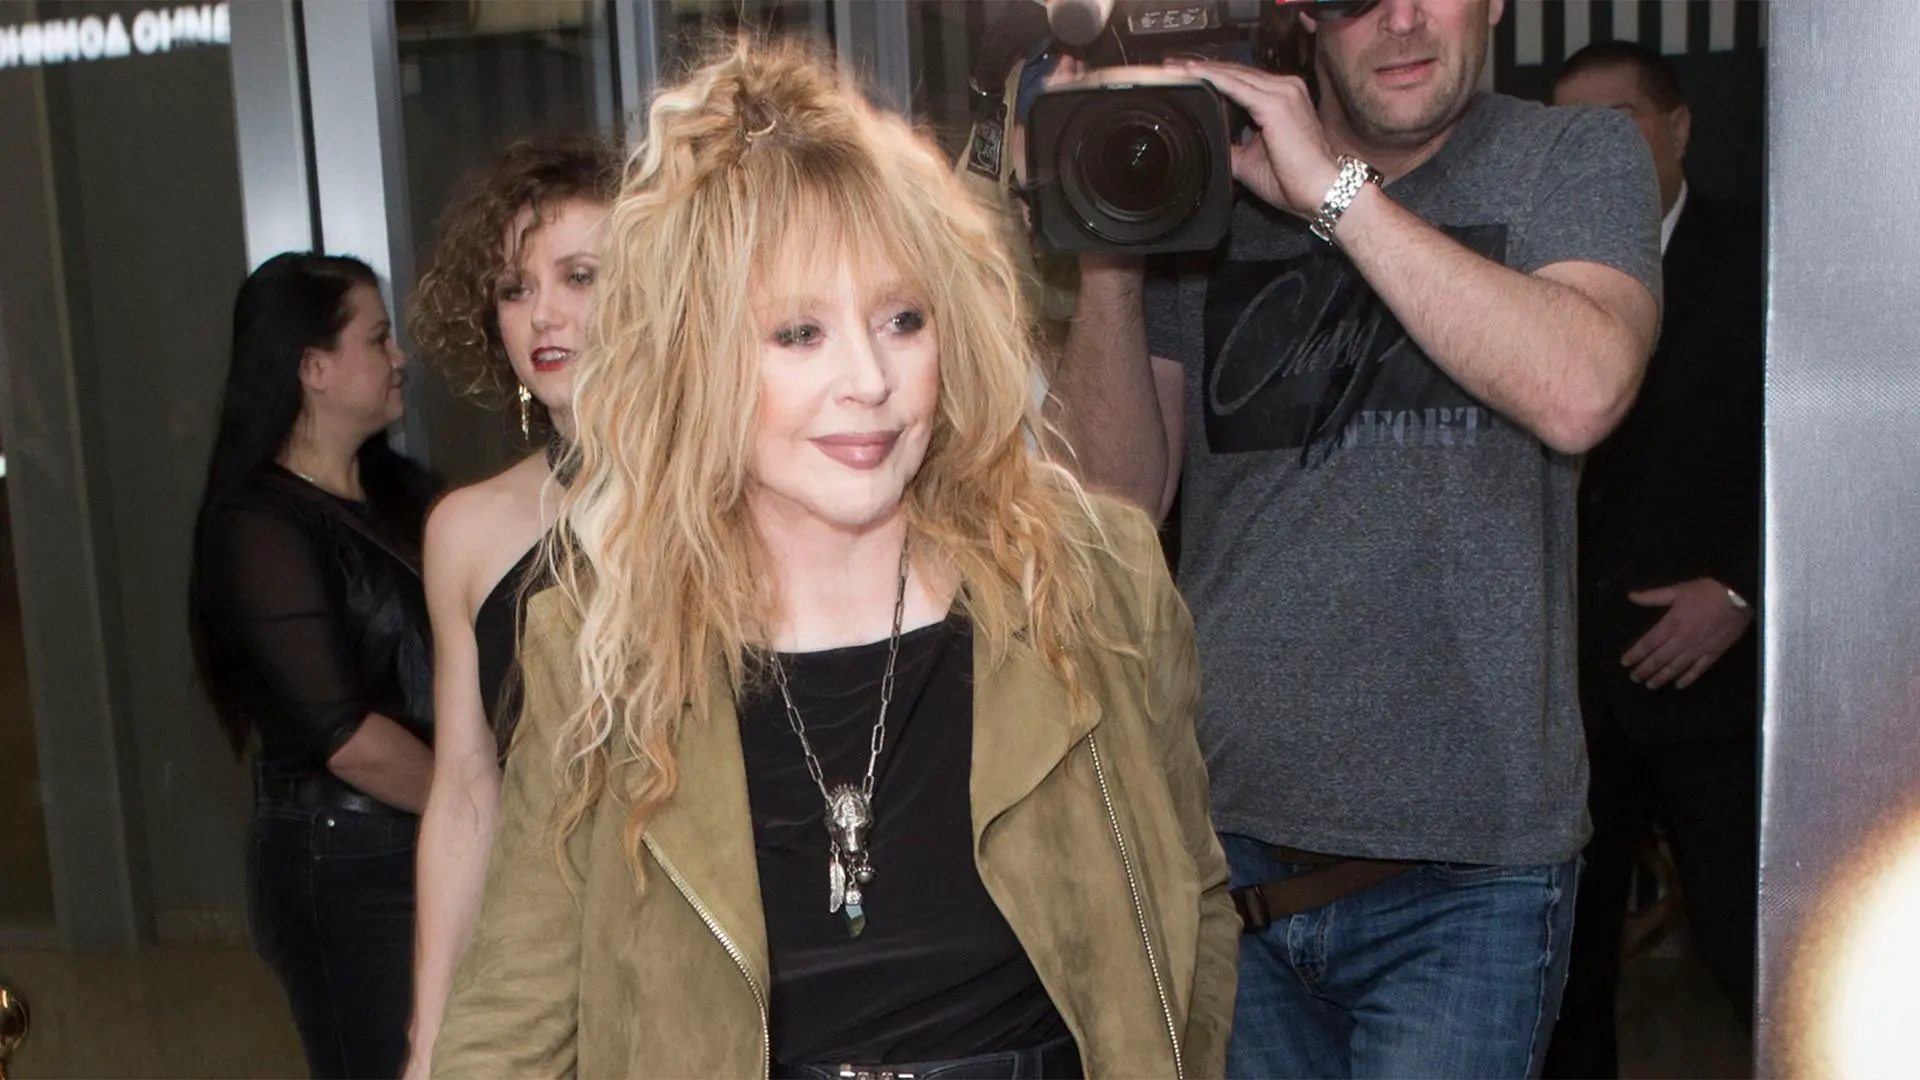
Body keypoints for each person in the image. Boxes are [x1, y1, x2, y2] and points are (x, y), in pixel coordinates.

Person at [429, 40, 1237, 1080]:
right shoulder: (605, 646)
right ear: (699, 360)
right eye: (799, 333)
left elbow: (1194, 910)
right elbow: (512, 1016)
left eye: (902, 320)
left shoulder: (1092, 581)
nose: (869, 380)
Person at [1049, 0, 1664, 1075]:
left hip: (1470, 880)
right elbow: (1112, 505)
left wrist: (1333, 194)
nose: (1403, 21)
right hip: (1227, 857)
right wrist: (1113, 237)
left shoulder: (1569, 155)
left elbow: (1581, 390)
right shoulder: (1212, 179)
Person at [1543, 40, 1762, 1078]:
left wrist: (1743, 589)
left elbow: (1840, 450)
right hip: (1569, 696)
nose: (1594, 150)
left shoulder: (1765, 259)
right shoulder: (1524, 273)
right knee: (1564, 977)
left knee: (1760, 952)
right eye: (1568, 132)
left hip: (1719, 683)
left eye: (1617, 121)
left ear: (1678, 127)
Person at [189, 252, 441, 1079]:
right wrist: (484, 809)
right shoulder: (258, 524)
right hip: (348, 858)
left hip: (421, 831)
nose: (400, 356)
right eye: (378, 338)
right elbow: (345, 736)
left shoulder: (404, 497)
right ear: (313, 367)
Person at [399, 133, 620, 1079]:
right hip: (533, 967)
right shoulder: (467, 528)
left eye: (579, 276)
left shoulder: (728, 500)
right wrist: (428, 1038)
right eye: (514, 289)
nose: (545, 315)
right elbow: (463, 789)